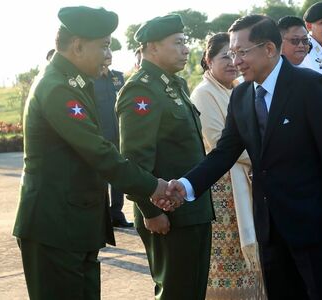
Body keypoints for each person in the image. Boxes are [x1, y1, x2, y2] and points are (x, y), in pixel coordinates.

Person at [163, 14, 322, 299]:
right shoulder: (241, 96)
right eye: (231, 53)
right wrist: (186, 185)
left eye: (242, 52)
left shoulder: (310, 86)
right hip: (269, 226)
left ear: (268, 49)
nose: (236, 61)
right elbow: (223, 153)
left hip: (313, 223)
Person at [13, 6, 170, 300]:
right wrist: (153, 186)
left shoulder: (73, 82)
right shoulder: (57, 87)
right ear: (78, 46)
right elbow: (99, 152)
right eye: (104, 46)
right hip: (55, 228)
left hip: (72, 226)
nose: (108, 55)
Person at [117, 14, 214, 300]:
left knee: (192, 291)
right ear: (153, 47)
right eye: (178, 43)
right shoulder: (141, 90)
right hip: (169, 215)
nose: (186, 49)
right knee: (175, 292)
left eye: (186, 42)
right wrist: (152, 211)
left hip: (193, 209)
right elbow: (134, 161)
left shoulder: (174, 85)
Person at [191, 32, 266, 299]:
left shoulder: (238, 90)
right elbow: (217, 141)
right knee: (226, 260)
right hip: (223, 189)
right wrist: (263, 155)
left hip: (245, 180)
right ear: (208, 61)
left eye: (236, 55)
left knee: (247, 260)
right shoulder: (204, 93)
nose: (233, 62)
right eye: (225, 56)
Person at [93, 55, 131, 227]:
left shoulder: (118, 77)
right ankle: (103, 215)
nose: (107, 54)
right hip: (100, 134)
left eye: (109, 49)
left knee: (118, 172)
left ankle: (116, 213)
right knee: (101, 175)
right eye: (103, 49)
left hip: (119, 133)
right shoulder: (91, 79)